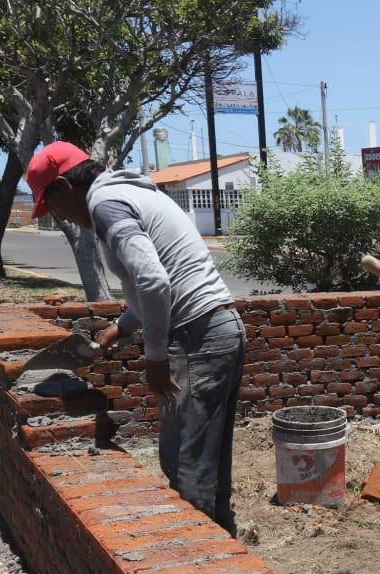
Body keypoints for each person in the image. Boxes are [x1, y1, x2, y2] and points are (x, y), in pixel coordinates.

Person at [25, 141, 245, 535]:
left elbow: (155, 282)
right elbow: (157, 283)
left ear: (63, 186)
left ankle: (200, 553)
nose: (60, 216)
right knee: (205, 454)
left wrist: (155, 357)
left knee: (186, 460)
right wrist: (120, 328)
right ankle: (222, 537)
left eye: (52, 206)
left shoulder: (105, 204)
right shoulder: (130, 192)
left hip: (198, 336)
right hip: (218, 327)